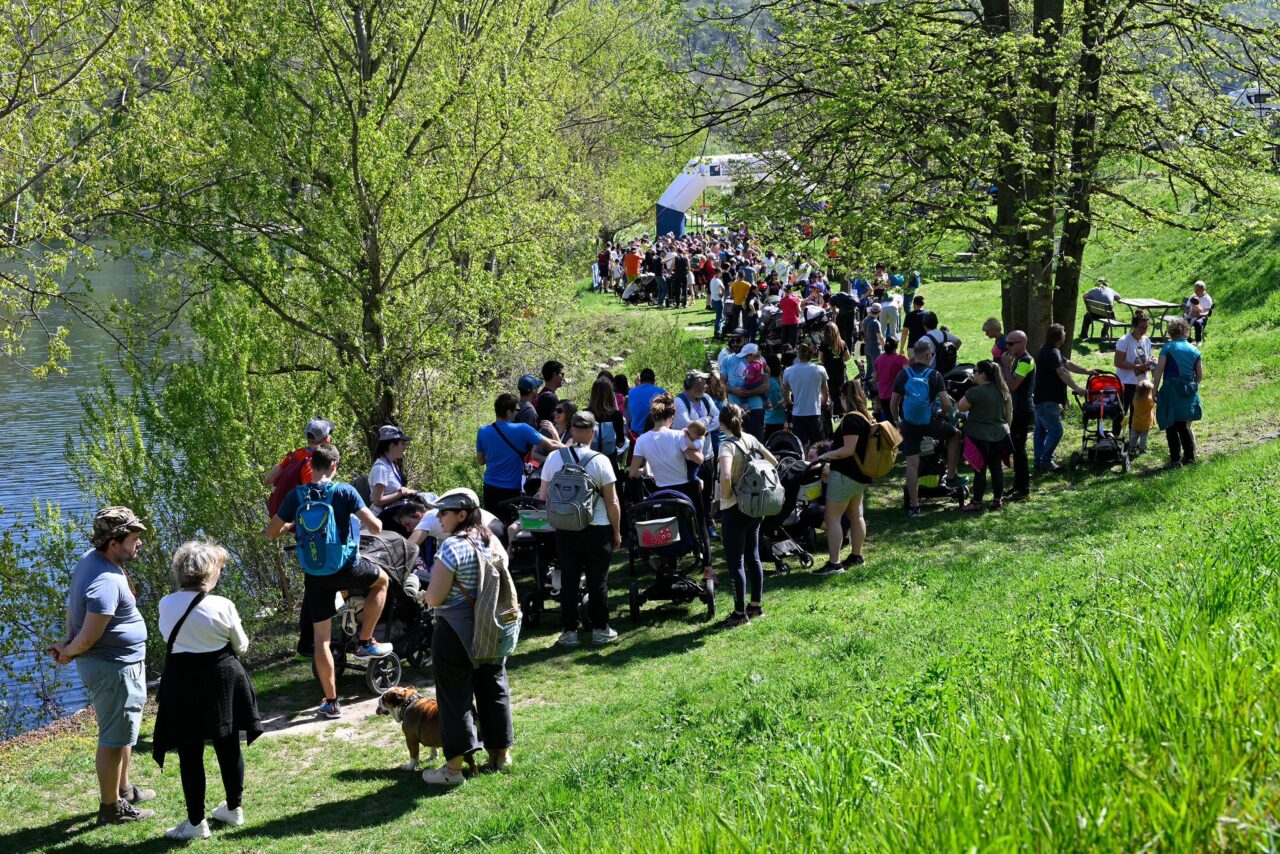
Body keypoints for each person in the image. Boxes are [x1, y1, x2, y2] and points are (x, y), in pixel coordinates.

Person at [266, 446, 392, 717]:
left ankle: (332, 702)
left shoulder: (297, 495)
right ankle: (365, 641)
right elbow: (375, 527)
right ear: (334, 465)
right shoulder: (345, 491)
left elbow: (270, 532)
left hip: (315, 574)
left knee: (322, 639)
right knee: (382, 581)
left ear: (312, 466)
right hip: (346, 567)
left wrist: (293, 526)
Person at [153, 541, 262, 840]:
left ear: (179, 571)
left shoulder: (165, 603)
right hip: (223, 678)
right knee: (228, 744)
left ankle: (195, 822)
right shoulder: (223, 605)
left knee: (190, 751)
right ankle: (233, 808)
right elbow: (241, 646)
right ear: (210, 572)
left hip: (182, 681)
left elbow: (168, 639)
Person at [53, 506, 155, 826]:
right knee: (113, 739)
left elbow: (72, 611)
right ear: (114, 543)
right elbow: (90, 633)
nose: (138, 544)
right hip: (113, 670)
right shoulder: (105, 581)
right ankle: (110, 808)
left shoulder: (92, 560)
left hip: (120, 666)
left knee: (123, 732)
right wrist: (70, 649)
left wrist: (69, 642)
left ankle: (123, 790)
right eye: (134, 539)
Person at [420, 491, 515, 785]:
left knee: (454, 698)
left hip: (455, 632)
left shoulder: (452, 547)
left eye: (443, 512)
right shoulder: (492, 541)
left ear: (462, 514)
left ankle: (452, 771)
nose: (439, 518)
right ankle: (500, 756)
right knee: (494, 687)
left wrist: (422, 593)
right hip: (491, 627)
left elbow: (435, 598)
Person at [539, 411, 623, 647]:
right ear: (593, 432)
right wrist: (616, 532)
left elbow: (543, 495)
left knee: (569, 580)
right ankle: (600, 629)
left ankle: (569, 632)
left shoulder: (555, 458)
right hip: (597, 528)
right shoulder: (600, 460)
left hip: (565, 529)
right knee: (598, 581)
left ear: (572, 430)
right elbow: (612, 501)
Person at [629, 394, 712, 576]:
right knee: (700, 526)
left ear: (653, 417)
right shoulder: (678, 436)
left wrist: (646, 469)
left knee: (667, 526)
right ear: (671, 417)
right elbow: (699, 459)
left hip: (662, 491)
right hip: (686, 489)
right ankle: (708, 566)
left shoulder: (642, 440)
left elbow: (632, 472)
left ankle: (668, 563)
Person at [717, 403, 779, 628]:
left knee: (736, 562)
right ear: (741, 419)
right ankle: (756, 606)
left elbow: (725, 475)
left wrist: (725, 496)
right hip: (755, 507)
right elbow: (773, 462)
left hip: (734, 507)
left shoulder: (726, 445)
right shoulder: (751, 439)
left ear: (722, 424)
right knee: (753, 556)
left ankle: (738, 613)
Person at [891, 339, 962, 518]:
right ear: (929, 355)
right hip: (929, 422)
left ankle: (915, 506)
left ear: (914, 355)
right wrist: (942, 413)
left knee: (911, 464)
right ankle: (951, 476)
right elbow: (946, 403)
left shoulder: (903, 374)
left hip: (909, 424)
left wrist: (897, 420)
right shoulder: (934, 375)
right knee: (955, 436)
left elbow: (894, 402)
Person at [815, 381, 873, 575]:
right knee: (856, 516)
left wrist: (826, 455)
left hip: (845, 475)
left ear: (845, 397)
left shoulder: (851, 420)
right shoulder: (867, 417)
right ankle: (856, 556)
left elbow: (848, 450)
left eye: (840, 397)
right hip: (860, 476)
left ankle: (834, 563)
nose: (839, 400)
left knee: (832, 517)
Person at [476, 393, 559, 518]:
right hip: (511, 488)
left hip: (490, 487)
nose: (518, 413)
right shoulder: (522, 429)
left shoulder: (483, 431)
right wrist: (575, 448)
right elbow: (551, 445)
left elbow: (481, 461)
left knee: (492, 526)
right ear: (509, 412)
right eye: (517, 410)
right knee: (510, 525)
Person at [1033, 323, 1097, 472]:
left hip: (1040, 398)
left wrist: (1088, 371)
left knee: (1041, 431)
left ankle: (1038, 461)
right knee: (1056, 431)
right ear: (1061, 338)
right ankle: (1046, 460)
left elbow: (1068, 364)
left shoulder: (1049, 350)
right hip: (1047, 399)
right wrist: (1078, 388)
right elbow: (1062, 371)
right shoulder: (1051, 352)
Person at [957, 360, 1014, 511]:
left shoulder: (975, 391)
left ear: (983, 374)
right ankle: (997, 500)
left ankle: (976, 502)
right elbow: (1009, 415)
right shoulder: (1003, 390)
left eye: (975, 371)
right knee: (996, 469)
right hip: (1000, 434)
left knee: (979, 470)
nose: (973, 374)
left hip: (979, 436)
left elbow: (960, 407)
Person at [673, 370, 722, 538]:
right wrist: (707, 421)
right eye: (703, 384)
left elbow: (718, 417)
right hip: (689, 458)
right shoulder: (679, 402)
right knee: (692, 492)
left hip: (707, 454)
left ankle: (708, 524)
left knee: (708, 492)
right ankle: (693, 528)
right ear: (695, 385)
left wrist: (703, 427)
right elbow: (686, 427)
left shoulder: (706, 399)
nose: (706, 386)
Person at [1153, 317, 1204, 468]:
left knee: (1171, 425)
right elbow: (1199, 375)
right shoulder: (1194, 349)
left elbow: (1159, 370)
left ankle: (1175, 460)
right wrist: (1192, 387)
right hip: (1188, 390)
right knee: (1184, 425)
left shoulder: (1168, 348)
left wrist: (1155, 389)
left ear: (1170, 332)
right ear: (1186, 331)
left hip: (1171, 389)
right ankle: (1190, 457)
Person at [263, 418, 334, 517]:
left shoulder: (296, 455)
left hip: (281, 516)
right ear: (326, 439)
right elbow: (313, 498)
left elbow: (268, 479)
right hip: (302, 523)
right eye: (330, 434)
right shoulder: (314, 462)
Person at [999, 330, 1035, 500]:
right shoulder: (1018, 360)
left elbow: (1013, 385)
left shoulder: (1026, 361)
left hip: (1022, 411)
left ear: (1022, 344)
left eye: (1011, 343)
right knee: (1015, 448)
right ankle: (1017, 485)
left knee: (1019, 449)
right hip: (1015, 410)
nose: (1007, 347)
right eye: (1007, 343)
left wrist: (1006, 366)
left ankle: (1024, 489)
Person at [782, 343, 830, 448]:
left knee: (801, 445)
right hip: (814, 411)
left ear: (798, 355)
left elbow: (786, 394)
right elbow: (826, 393)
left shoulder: (788, 371)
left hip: (798, 413)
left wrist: (790, 402)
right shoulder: (820, 370)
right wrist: (823, 403)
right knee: (818, 445)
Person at [1113, 310, 1154, 433]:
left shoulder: (1147, 340)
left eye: (1146, 327)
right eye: (1141, 327)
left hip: (1142, 383)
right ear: (1134, 326)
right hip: (1126, 382)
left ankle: (1133, 438)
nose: (1144, 330)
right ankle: (1115, 436)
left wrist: (1152, 361)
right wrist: (1138, 367)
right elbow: (1118, 362)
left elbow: (1148, 356)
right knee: (1122, 411)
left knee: (1138, 412)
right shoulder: (1124, 340)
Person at [368, 425, 413, 517]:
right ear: (392, 446)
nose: (405, 447)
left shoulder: (392, 465)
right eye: (402, 444)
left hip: (394, 513)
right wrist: (401, 493)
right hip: (383, 517)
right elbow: (378, 501)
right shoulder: (380, 468)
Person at [726, 343, 769, 439]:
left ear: (752, 355)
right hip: (736, 408)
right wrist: (734, 390)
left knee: (755, 437)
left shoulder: (752, 365)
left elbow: (765, 385)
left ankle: (746, 405)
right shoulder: (761, 361)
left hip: (755, 407)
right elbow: (721, 384)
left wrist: (745, 375)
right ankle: (767, 401)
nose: (745, 358)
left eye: (747, 356)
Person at [818, 322, 852, 416]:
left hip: (828, 372)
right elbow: (848, 358)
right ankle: (840, 410)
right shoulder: (842, 343)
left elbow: (820, 359)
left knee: (830, 392)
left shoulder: (824, 344)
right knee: (840, 392)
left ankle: (831, 412)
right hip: (840, 371)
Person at [626, 368, 667, 437]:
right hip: (656, 434)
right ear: (654, 380)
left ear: (640, 380)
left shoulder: (631, 392)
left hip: (635, 435)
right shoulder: (662, 392)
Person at [763, 353, 788, 439]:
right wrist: (786, 399)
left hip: (770, 419)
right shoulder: (772, 383)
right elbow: (775, 404)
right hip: (775, 421)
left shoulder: (770, 380)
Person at [1129, 379, 1156, 456]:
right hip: (1145, 422)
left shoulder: (1135, 399)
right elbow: (1153, 405)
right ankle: (1142, 448)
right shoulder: (1149, 400)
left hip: (1135, 421)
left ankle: (1132, 448)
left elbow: (1133, 405)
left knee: (1134, 435)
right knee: (1144, 436)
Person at [862, 303, 886, 380]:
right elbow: (880, 338)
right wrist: (885, 347)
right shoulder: (876, 322)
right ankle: (876, 389)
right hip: (875, 348)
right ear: (880, 311)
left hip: (867, 347)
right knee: (877, 370)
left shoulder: (865, 319)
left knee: (869, 369)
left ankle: (866, 388)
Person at [709, 266, 725, 338]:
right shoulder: (718, 281)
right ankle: (718, 331)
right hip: (718, 300)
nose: (721, 274)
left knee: (719, 317)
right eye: (721, 273)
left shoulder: (712, 280)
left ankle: (718, 331)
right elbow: (723, 288)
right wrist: (722, 295)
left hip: (713, 300)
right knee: (719, 318)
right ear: (718, 273)